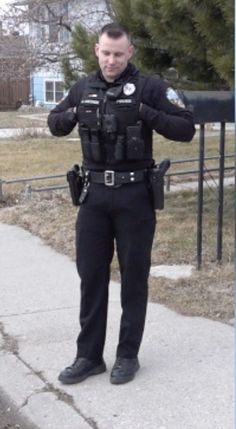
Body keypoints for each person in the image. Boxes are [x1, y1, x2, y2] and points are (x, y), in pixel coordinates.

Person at [47, 22, 195, 385]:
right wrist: (71, 114)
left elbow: (186, 127)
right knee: (91, 276)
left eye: (118, 54)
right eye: (105, 53)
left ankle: (127, 355)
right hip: (93, 196)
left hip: (134, 196)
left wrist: (148, 114)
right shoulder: (83, 87)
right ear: (97, 50)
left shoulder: (150, 87)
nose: (111, 60)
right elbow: (55, 124)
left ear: (130, 53)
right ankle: (89, 356)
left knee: (134, 278)